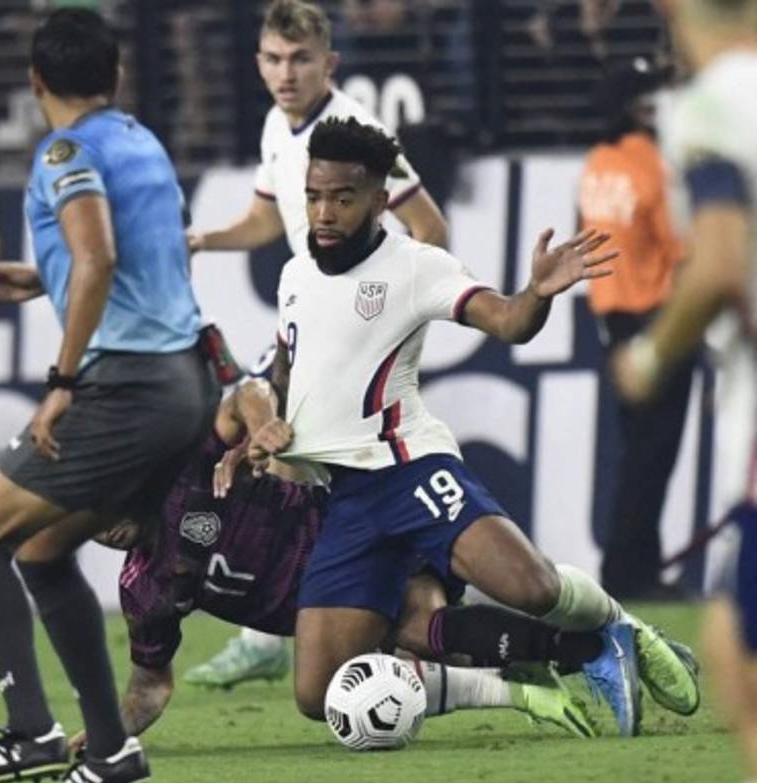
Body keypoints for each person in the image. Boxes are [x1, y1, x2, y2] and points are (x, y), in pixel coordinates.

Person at [264, 116, 699, 739]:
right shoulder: (294, 275)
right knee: (319, 692)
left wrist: (538, 293)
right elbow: (288, 363)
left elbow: (507, 321)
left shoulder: (415, 266)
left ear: (380, 201)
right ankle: (523, 685)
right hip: (347, 499)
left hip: (410, 472)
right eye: (313, 196)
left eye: (342, 197)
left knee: (532, 586)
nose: (324, 212)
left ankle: (623, 627)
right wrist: (269, 422)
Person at [0, 8, 219, 783]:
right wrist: (40, 279)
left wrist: (60, 386)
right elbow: (147, 254)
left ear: (34, 83)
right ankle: (113, 752)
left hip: (123, 385)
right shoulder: (141, 140)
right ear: (117, 74)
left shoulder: (66, 152)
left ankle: (31, 731)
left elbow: (94, 258)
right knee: (41, 551)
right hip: (187, 383)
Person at [96, 377, 698, 742]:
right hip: (332, 613)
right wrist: (102, 740)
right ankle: (566, 667)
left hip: (352, 537)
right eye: (88, 527)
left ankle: (598, 645)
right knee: (352, 684)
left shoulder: (187, 474)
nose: (106, 529)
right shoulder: (143, 592)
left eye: (106, 508)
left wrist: (263, 425)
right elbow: (149, 689)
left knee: (438, 622)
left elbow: (245, 394)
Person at [184, 0, 448, 689]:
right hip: (310, 327)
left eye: (300, 59)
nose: (286, 72)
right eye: (273, 58)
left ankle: (411, 610)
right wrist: (207, 239)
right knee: (284, 462)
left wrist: (388, 308)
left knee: (308, 466)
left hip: (358, 333)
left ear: (329, 62)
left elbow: (430, 226)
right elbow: (267, 219)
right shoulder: (278, 126)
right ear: (258, 63)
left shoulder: (358, 133)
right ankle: (288, 625)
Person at [611, 0, 757, 783]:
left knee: (736, 650)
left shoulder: (708, 107)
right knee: (733, 638)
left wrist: (650, 356)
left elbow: (721, 259)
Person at [578, 57, 689, 601]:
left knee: (635, 452)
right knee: (655, 454)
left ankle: (628, 565)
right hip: (658, 320)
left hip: (612, 322)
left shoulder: (597, 162)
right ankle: (634, 573)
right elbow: (683, 248)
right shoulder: (651, 164)